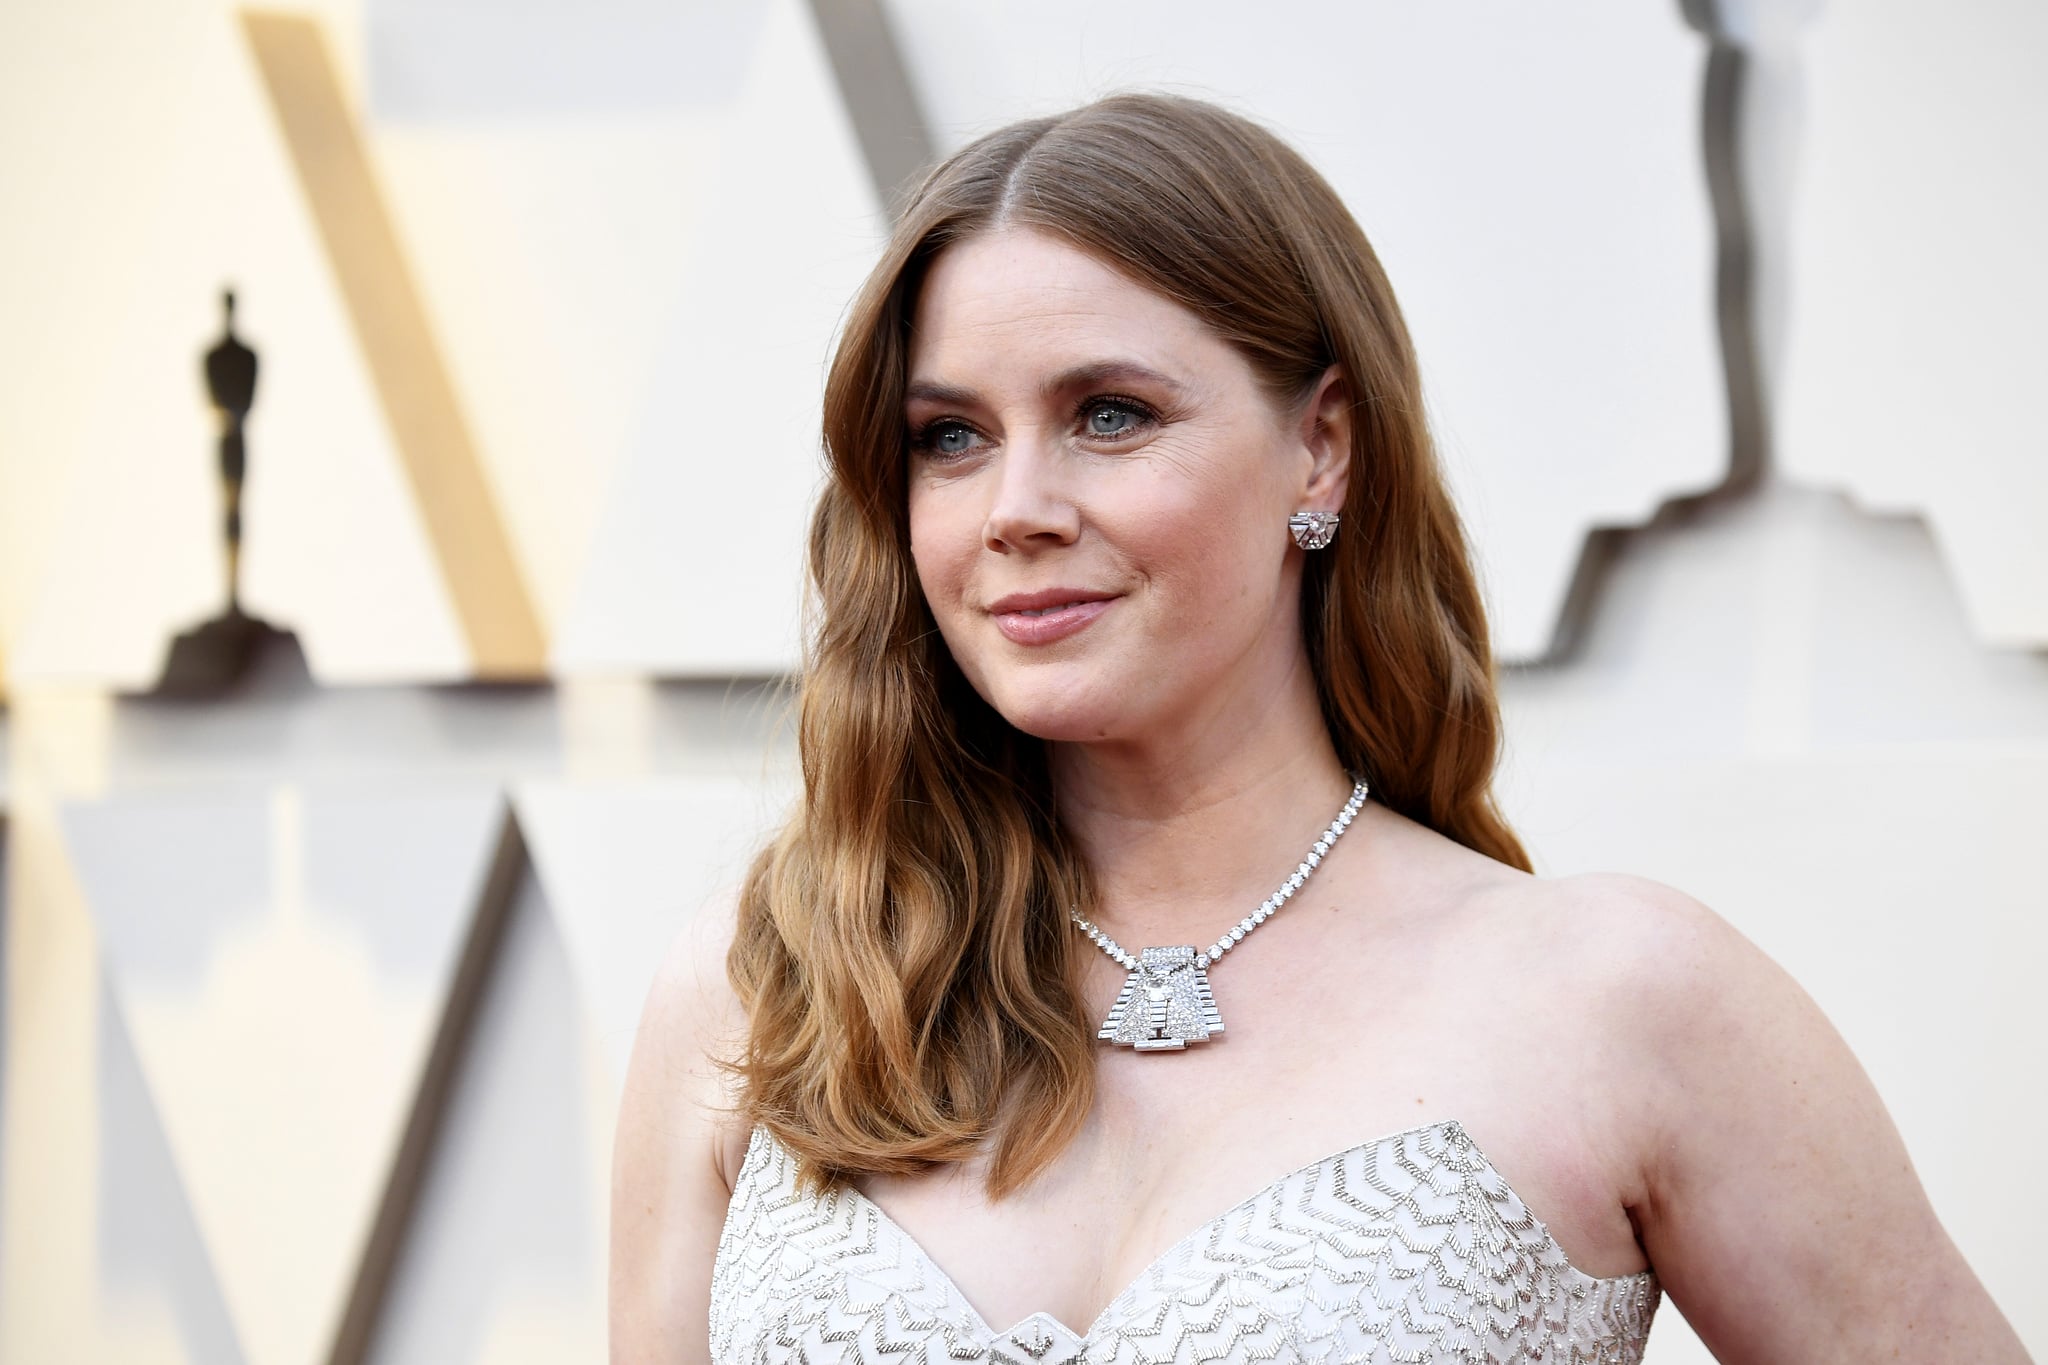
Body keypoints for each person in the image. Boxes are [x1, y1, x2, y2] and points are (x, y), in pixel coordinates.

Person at [609, 93, 2029, 1364]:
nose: (1014, 507)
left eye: (1109, 414)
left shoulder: (1621, 1000)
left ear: (1324, 447)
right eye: (950, 437)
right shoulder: (762, 993)